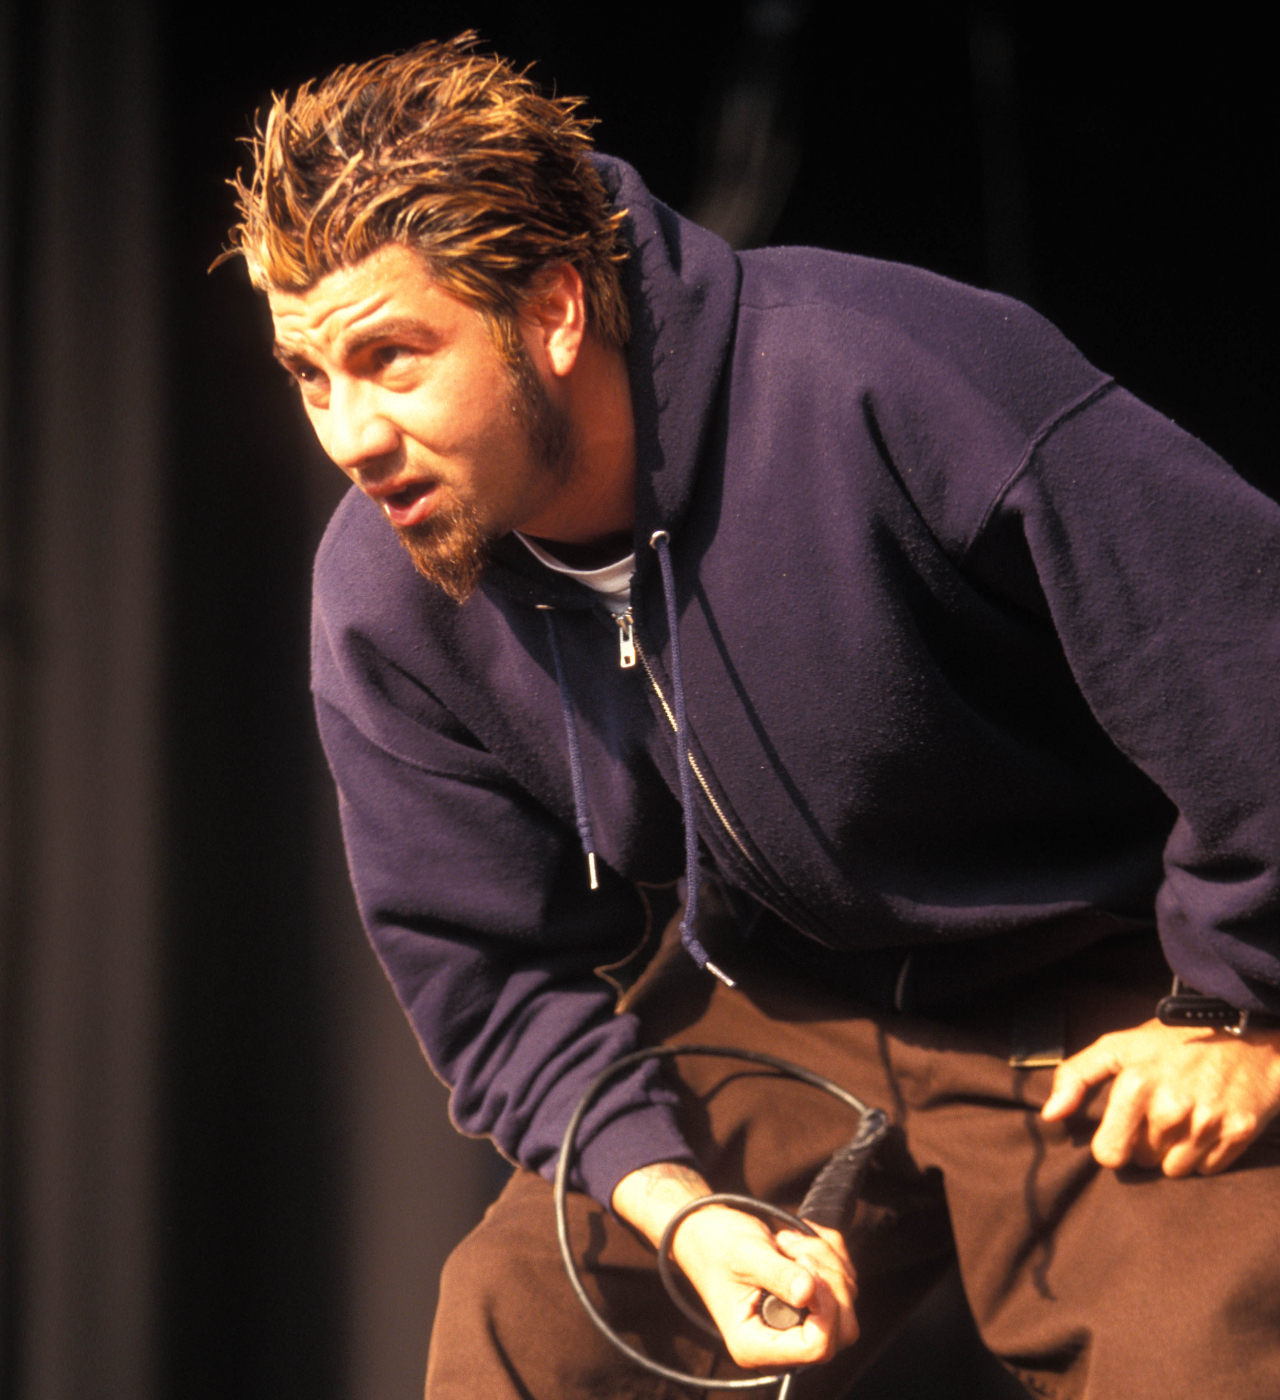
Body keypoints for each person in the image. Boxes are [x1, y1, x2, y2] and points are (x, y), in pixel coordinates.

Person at [223, 34, 1280, 1400]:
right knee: (520, 1327)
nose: (350, 436)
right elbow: (487, 977)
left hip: (1111, 976)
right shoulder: (387, 593)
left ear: (553, 311)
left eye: (391, 359)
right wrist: (676, 1207)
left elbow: (1248, 655)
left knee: (1209, 1352)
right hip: (782, 997)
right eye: (312, 376)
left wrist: (1241, 1003)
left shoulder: (885, 377)